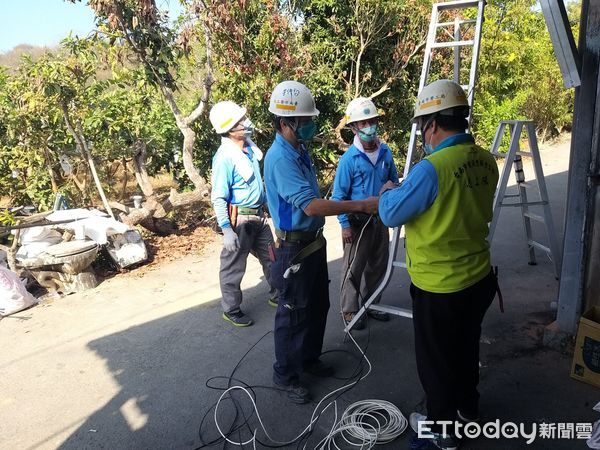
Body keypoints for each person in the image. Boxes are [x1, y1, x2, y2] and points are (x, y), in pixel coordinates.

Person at [378, 80, 499, 450]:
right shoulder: (485, 160)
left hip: (440, 286)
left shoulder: (432, 168)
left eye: (422, 126)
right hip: (478, 279)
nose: (423, 133)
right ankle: (468, 408)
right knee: (466, 347)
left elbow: (391, 214)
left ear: (431, 124)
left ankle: (441, 432)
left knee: (436, 363)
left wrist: (387, 192)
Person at [264, 81, 379, 404]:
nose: (310, 125)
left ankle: (308, 359)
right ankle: (285, 374)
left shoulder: (298, 150)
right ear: (286, 123)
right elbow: (311, 206)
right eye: (305, 121)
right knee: (293, 312)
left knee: (317, 306)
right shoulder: (280, 159)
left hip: (311, 244)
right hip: (293, 249)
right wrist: (359, 205)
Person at [332, 97, 400, 329]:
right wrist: (344, 225)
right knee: (353, 268)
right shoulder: (349, 160)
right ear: (353, 127)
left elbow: (393, 180)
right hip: (358, 223)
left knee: (378, 265)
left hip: (380, 218)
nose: (369, 126)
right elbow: (338, 197)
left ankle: (371, 304)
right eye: (363, 123)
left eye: (372, 121)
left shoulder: (385, 153)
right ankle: (349, 310)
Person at [209, 100, 278, 328]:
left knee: (272, 256)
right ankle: (231, 309)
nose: (246, 123)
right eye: (240, 121)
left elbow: (257, 186)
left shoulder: (248, 150)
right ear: (229, 129)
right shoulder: (225, 157)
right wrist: (227, 229)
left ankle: (278, 293)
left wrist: (270, 207)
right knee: (233, 266)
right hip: (240, 220)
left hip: (258, 216)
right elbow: (218, 196)